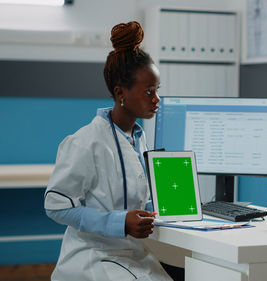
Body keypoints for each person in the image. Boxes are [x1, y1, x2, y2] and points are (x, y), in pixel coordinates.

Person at [44, 21, 173, 281]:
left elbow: (133, 198)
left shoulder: (137, 137)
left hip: (133, 254)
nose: (156, 99)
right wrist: (119, 222)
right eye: (148, 91)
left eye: (157, 90)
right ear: (120, 93)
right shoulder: (86, 141)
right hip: (94, 256)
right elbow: (55, 206)